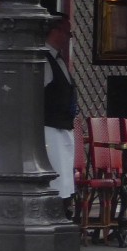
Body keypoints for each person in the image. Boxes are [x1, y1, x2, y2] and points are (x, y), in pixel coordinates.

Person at [43, 16, 78, 218]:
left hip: (64, 125)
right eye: (67, 33)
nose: (68, 38)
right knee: (56, 172)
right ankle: (55, 209)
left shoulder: (59, 59)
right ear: (55, 32)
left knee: (65, 173)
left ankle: (64, 207)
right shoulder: (44, 59)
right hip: (49, 126)